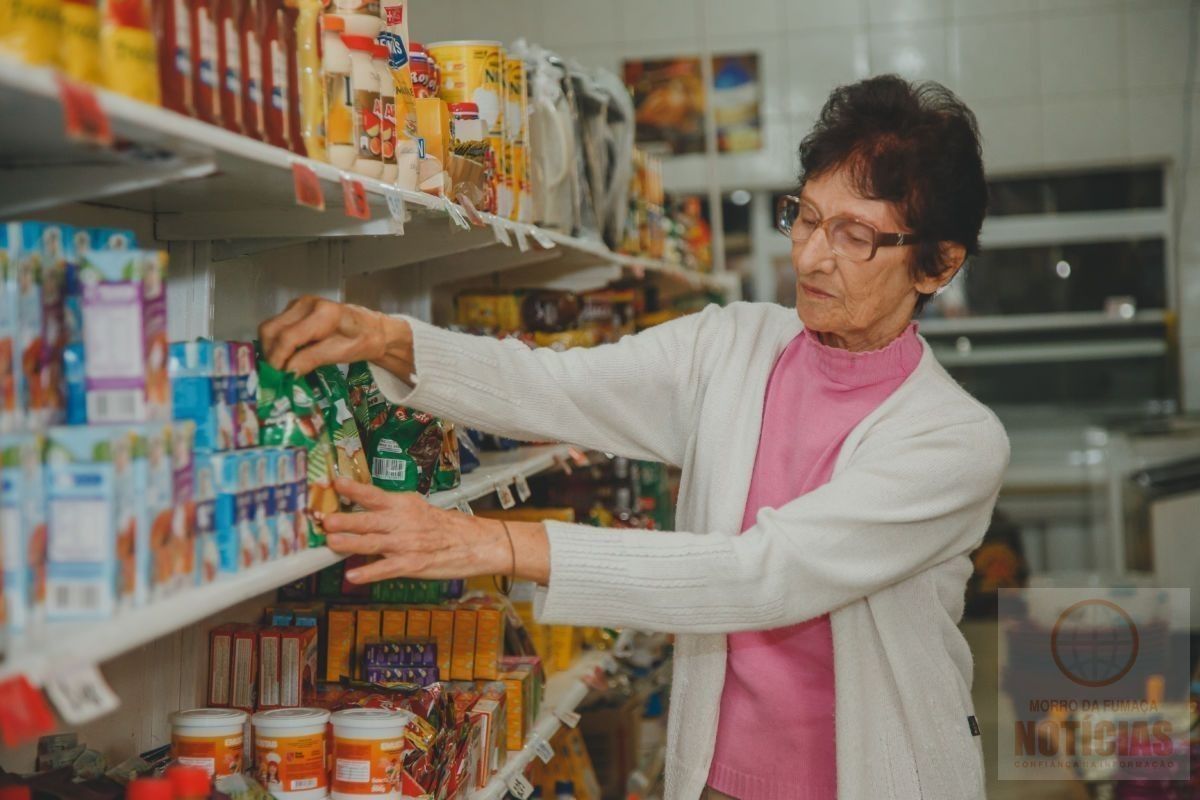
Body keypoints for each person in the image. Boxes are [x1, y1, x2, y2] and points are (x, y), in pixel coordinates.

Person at [259, 75, 1008, 800]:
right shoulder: (735, 345)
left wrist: (493, 543)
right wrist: (386, 338)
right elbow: (560, 386)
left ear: (938, 264)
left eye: (855, 235)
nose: (811, 256)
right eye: (807, 218)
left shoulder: (953, 440)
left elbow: (760, 574)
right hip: (717, 776)